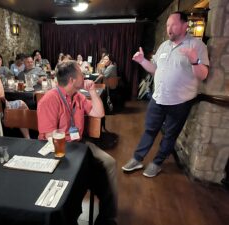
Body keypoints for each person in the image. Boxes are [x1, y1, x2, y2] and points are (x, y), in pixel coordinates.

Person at [122, 11, 209, 177]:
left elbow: (203, 75)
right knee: (149, 130)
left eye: (173, 25)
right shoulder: (164, 46)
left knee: (170, 135)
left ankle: (157, 162)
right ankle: (137, 158)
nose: (169, 28)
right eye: (168, 25)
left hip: (180, 101)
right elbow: (155, 70)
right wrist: (142, 61)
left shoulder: (197, 46)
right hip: (158, 98)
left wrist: (194, 60)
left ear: (185, 26)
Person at [37, 60, 117, 225]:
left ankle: (107, 216)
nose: (85, 76)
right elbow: (48, 135)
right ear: (73, 80)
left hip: (80, 144)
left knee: (110, 163)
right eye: (81, 74)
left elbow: (99, 113)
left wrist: (93, 92)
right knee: (75, 178)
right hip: (58, 148)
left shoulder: (79, 96)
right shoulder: (49, 100)